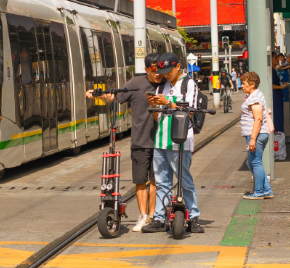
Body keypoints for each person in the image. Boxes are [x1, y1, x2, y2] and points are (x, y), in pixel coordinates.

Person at [86, 52, 165, 232]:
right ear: (146, 69)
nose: (157, 73)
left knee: (155, 181)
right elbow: (115, 97)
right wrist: (98, 94)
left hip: (161, 140)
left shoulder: (167, 84)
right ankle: (143, 216)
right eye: (153, 69)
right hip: (140, 139)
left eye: (160, 68)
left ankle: (154, 216)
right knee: (140, 180)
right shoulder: (136, 83)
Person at [143, 52, 204, 234]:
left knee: (185, 180)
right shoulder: (161, 87)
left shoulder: (188, 84)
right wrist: (154, 104)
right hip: (161, 140)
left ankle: (193, 217)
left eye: (169, 70)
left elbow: (190, 111)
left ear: (178, 67)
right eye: (164, 71)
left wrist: (168, 102)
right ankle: (159, 218)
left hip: (181, 141)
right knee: (162, 182)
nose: (166, 74)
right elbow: (156, 117)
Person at [239, 72, 274, 200]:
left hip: (256, 135)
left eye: (244, 83)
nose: (242, 86)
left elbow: (258, 119)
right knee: (251, 162)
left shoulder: (255, 98)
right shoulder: (253, 96)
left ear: (252, 84)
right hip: (257, 135)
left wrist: (253, 139)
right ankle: (267, 190)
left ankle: (259, 192)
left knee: (256, 162)